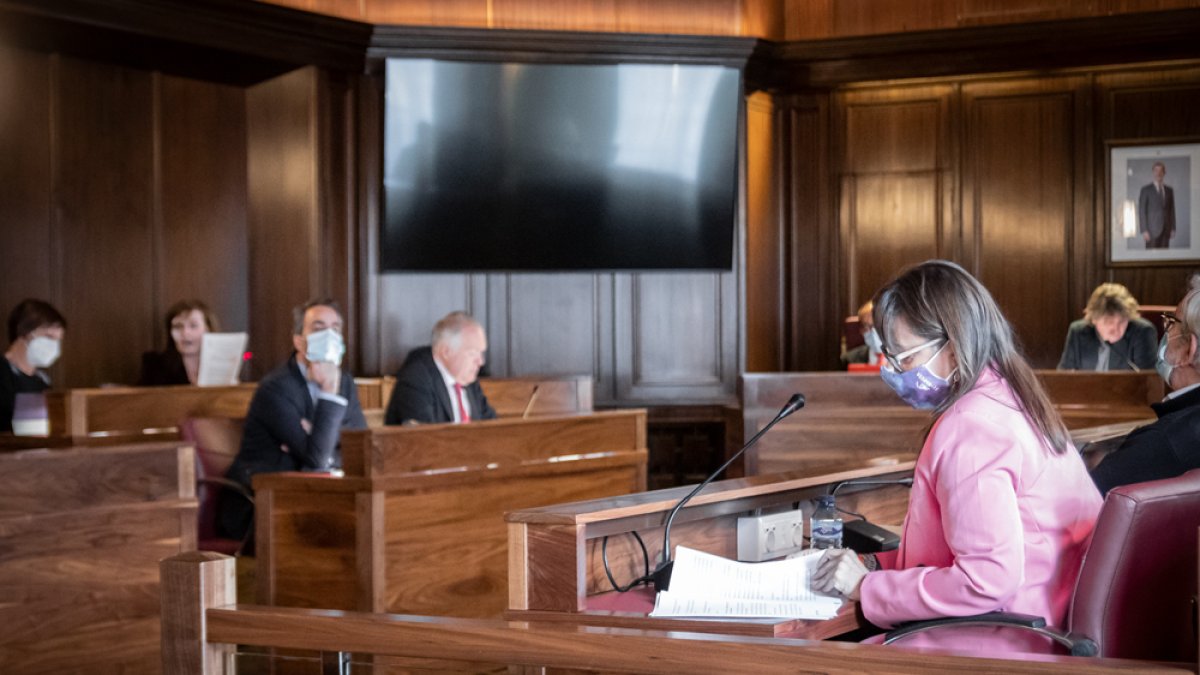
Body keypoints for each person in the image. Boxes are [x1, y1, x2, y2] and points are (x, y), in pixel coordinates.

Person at [812, 260, 1102, 653]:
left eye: (905, 359)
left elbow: (986, 580)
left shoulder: (970, 426)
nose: (894, 372)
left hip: (996, 641)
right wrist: (876, 566)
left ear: (951, 344)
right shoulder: (1013, 398)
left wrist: (866, 587)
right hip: (1037, 629)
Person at [219, 298, 366, 547]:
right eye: (319, 329)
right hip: (262, 502)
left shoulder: (346, 382)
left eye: (336, 328)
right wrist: (329, 391)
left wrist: (317, 436)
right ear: (299, 340)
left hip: (314, 493)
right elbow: (315, 458)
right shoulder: (276, 388)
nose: (330, 335)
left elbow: (357, 444)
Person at [1090, 274, 1200, 495]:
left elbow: (1085, 496)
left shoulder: (1164, 441)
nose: (1165, 332)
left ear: (1189, 351)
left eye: (1171, 323)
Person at [384, 311, 496, 425]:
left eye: (481, 353)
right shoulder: (415, 380)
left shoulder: (467, 379)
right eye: (473, 353)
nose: (481, 362)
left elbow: (491, 426)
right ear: (446, 352)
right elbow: (426, 437)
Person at [1056, 282, 1157, 371]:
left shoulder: (1143, 332)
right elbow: (1064, 376)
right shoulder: (1078, 332)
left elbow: (1148, 382)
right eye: (1108, 322)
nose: (1116, 329)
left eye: (1122, 322)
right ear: (1094, 319)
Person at [1, 299, 67, 434]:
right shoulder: (3, 372)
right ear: (23, 333)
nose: (53, 346)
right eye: (48, 337)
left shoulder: (42, 381)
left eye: (58, 340)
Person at [139, 299, 218, 386]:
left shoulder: (224, 363)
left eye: (193, 326)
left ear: (208, 330)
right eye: (178, 326)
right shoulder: (155, 365)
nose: (185, 332)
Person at [1138, 161, 1175, 249]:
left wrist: (1173, 228)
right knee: (1151, 259)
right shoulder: (1146, 190)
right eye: (1156, 171)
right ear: (1153, 172)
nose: (1158, 173)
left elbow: (1172, 210)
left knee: (1165, 259)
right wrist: (1144, 230)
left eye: (1161, 171)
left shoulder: (1169, 190)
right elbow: (1141, 211)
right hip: (1151, 232)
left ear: (1164, 173)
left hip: (1166, 230)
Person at [840, 301, 884, 369]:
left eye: (877, 325)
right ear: (861, 330)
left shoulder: (903, 359)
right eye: (866, 326)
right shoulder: (848, 359)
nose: (873, 331)